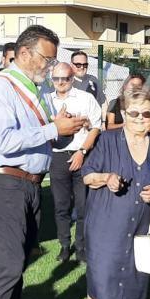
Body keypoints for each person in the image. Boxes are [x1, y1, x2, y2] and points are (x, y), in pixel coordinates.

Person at [0, 25, 87, 299]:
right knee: (8, 267)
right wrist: (53, 129)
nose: (50, 67)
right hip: (3, 184)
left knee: (18, 264)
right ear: (24, 53)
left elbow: (42, 140)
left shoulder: (34, 89)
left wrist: (65, 129)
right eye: (46, 59)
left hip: (27, 185)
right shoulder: (1, 85)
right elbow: (4, 141)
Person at [82, 88, 150, 299]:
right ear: (123, 113)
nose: (141, 118)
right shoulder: (107, 140)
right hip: (105, 225)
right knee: (101, 277)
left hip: (139, 227)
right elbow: (87, 176)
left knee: (132, 280)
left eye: (146, 113)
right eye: (134, 113)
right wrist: (107, 178)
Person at [44, 62, 102, 264]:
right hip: (58, 156)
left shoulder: (85, 98)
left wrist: (82, 151)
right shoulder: (45, 100)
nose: (60, 82)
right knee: (61, 205)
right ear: (52, 79)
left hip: (82, 155)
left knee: (83, 206)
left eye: (65, 78)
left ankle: (81, 247)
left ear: (72, 78)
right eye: (56, 78)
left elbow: (96, 127)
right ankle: (64, 246)